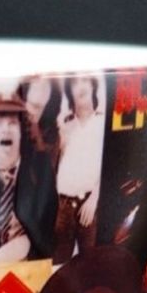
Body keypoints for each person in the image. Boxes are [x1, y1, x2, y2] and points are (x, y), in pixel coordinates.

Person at [0, 95, 57, 263]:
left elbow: (48, 225)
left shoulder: (41, 168)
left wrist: (25, 242)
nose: (5, 129)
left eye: (12, 123)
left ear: (23, 131)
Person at [53, 75, 105, 263]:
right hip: (63, 206)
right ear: (69, 92)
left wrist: (94, 198)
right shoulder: (64, 125)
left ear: (92, 85)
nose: (80, 86)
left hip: (89, 204)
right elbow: (53, 166)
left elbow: (110, 166)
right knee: (59, 265)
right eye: (74, 83)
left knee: (89, 264)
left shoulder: (103, 123)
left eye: (85, 80)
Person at [16, 75, 62, 163]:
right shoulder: (9, 122)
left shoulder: (52, 137)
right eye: (32, 104)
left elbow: (46, 168)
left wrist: (38, 139)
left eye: (38, 108)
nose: (31, 112)